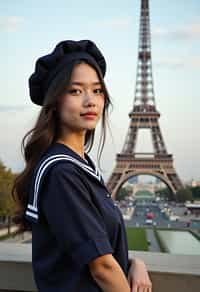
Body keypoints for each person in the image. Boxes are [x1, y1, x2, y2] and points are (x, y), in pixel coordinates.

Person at [12, 39, 152, 292]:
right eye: (76, 91)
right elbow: (101, 267)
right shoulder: (63, 173)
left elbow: (87, 249)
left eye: (97, 90)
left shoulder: (79, 164)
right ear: (55, 102)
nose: (91, 101)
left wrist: (135, 262)